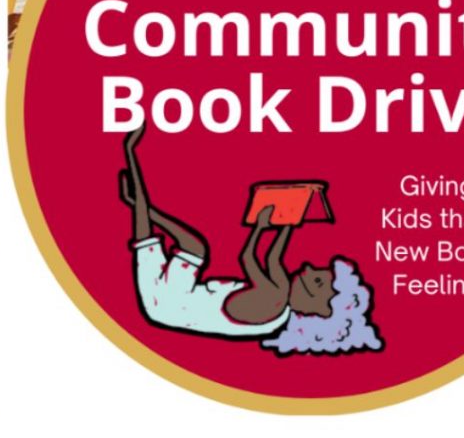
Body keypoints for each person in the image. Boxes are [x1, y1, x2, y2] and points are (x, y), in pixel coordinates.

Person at [120, 125, 335, 338]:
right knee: (176, 244)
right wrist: (290, 221)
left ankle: (131, 157)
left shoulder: (273, 299)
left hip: (169, 303)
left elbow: (247, 258)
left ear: (311, 299)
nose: (307, 268)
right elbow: (273, 258)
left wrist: (260, 228)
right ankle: (138, 203)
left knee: (192, 247)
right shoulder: (280, 297)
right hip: (174, 302)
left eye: (317, 281)